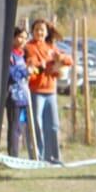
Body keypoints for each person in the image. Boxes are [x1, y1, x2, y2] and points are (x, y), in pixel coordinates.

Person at [24, 18, 70, 165]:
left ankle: (53, 157)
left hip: (50, 91)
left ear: (46, 32)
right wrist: (41, 65)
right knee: (36, 125)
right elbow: (31, 64)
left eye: (42, 30)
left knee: (53, 125)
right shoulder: (29, 47)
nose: (39, 32)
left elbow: (69, 60)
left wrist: (60, 58)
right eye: (37, 29)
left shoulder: (51, 47)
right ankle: (37, 157)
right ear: (33, 31)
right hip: (35, 90)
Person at [6, 25, 32, 158]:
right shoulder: (9, 55)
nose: (22, 41)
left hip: (23, 97)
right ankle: (13, 155)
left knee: (22, 127)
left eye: (25, 38)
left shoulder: (22, 56)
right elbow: (11, 76)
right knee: (14, 128)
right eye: (20, 37)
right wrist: (25, 71)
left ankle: (25, 153)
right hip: (13, 97)